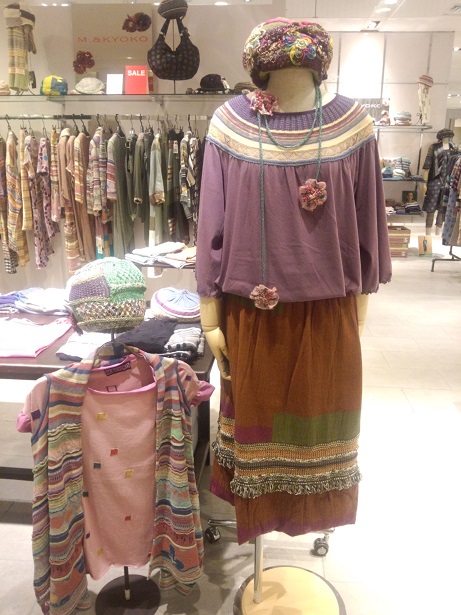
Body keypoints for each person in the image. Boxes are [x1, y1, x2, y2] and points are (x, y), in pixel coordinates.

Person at [196, 17, 392, 545]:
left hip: (329, 315)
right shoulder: (229, 124)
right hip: (251, 314)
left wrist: (360, 304)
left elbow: (368, 219)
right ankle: (260, 520)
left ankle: (310, 515)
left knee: (320, 423)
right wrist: (210, 313)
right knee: (257, 428)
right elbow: (211, 224)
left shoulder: (353, 125)